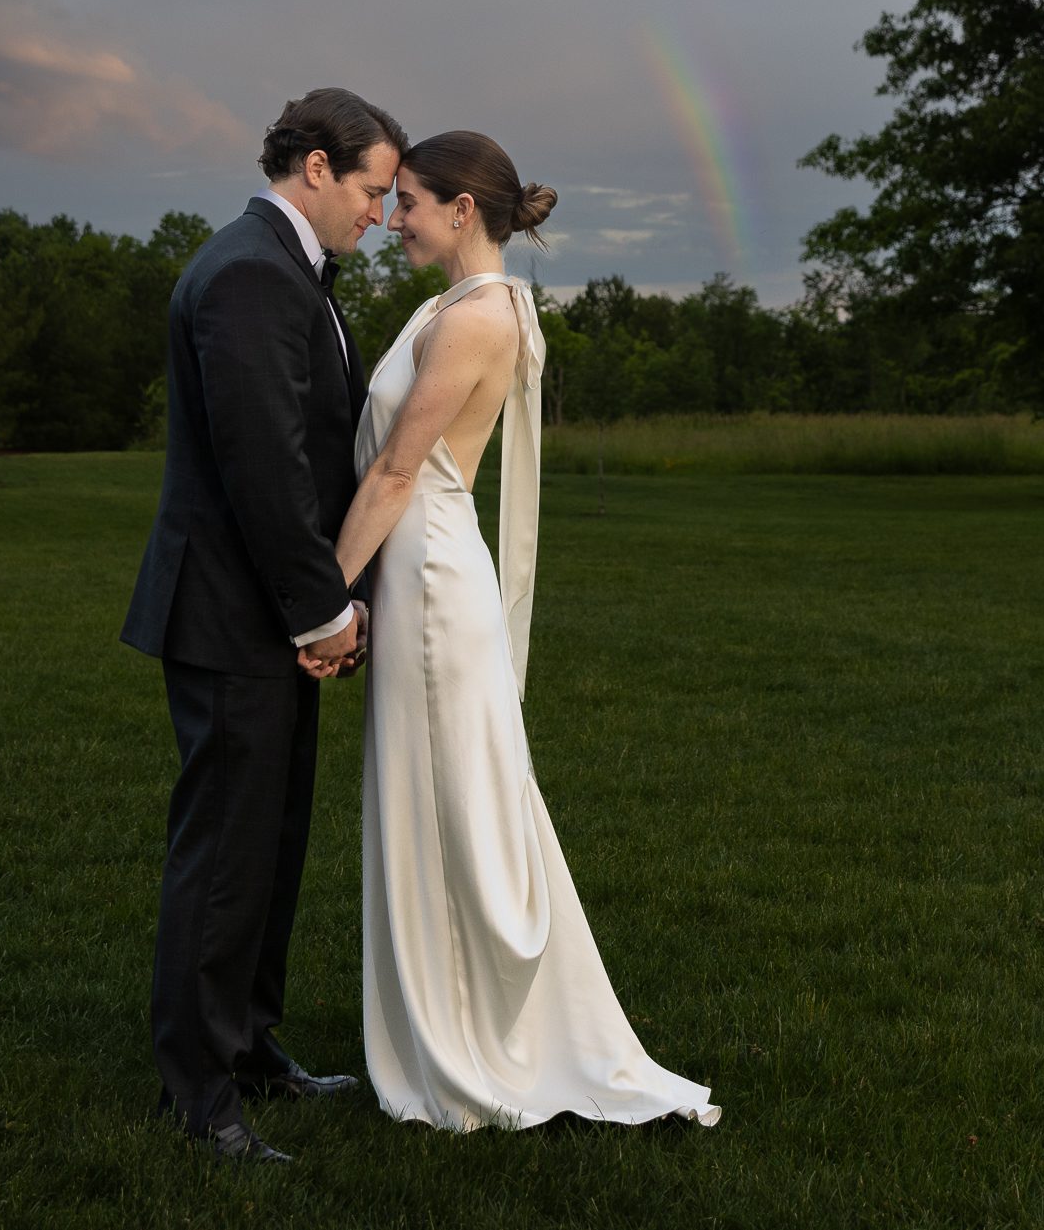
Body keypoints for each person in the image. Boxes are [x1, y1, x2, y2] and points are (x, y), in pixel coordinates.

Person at [318, 129, 719, 1131]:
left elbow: (400, 471)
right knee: (434, 803)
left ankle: (470, 1040)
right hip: (416, 577)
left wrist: (320, 601)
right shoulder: (456, 304)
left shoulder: (481, 314)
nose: (393, 217)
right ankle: (442, 1022)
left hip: (432, 586)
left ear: (462, 210)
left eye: (407, 199)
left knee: (453, 805)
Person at [120, 87, 408, 1164]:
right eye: (375, 190)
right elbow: (264, 466)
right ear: (320, 167)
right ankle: (199, 1098)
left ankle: (247, 1048)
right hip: (233, 613)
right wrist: (324, 610)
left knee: (273, 842)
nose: (381, 214)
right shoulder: (247, 270)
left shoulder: (289, 270)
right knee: (227, 855)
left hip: (263, 616)